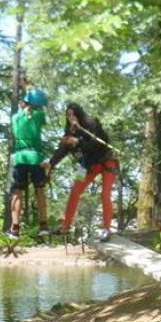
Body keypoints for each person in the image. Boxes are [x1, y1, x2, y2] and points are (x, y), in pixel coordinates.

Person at [49, 102, 120, 239]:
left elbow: (100, 142)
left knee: (105, 194)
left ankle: (107, 229)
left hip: (106, 162)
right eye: (68, 115)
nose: (71, 118)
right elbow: (61, 151)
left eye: (73, 114)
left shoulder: (92, 124)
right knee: (75, 191)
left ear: (79, 114)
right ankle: (65, 227)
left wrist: (78, 141)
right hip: (87, 166)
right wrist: (50, 165)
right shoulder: (69, 133)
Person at [7, 87, 50, 239]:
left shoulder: (15, 118)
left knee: (17, 193)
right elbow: (39, 111)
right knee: (39, 191)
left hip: (20, 158)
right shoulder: (40, 115)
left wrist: (26, 101)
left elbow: (25, 110)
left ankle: (15, 228)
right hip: (36, 158)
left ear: (23, 103)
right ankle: (43, 225)